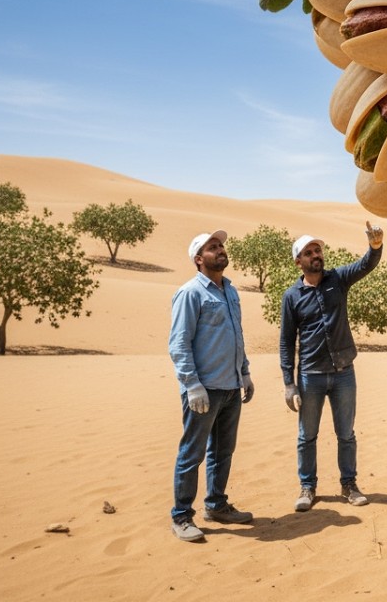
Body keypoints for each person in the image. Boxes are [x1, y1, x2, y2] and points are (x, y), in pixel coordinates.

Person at [279, 222, 384, 512]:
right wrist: (289, 383)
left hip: (343, 374)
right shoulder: (291, 297)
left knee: (346, 434)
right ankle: (307, 487)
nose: (316, 255)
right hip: (310, 376)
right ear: (298, 261)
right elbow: (287, 342)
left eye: (318, 250)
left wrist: (375, 246)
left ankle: (349, 484)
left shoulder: (338, 279)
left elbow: (366, 265)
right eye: (309, 252)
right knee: (306, 436)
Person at [168, 229, 256, 542]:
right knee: (192, 454)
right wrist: (192, 385)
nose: (220, 250)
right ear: (198, 258)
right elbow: (179, 344)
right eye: (212, 247)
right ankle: (181, 516)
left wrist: (244, 372)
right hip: (204, 391)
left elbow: (237, 335)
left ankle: (216, 504)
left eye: (220, 246)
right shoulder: (191, 293)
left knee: (223, 451)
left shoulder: (230, 291)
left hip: (231, 387)